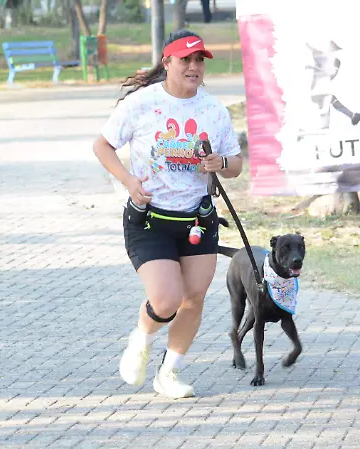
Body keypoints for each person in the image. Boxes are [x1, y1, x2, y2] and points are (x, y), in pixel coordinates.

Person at [91, 29, 244, 399]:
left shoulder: (213, 110)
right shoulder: (142, 104)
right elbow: (102, 145)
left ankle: (169, 373)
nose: (193, 67)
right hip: (150, 219)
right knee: (166, 300)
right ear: (167, 62)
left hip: (197, 219)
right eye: (185, 60)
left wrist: (220, 162)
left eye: (199, 60)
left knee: (194, 298)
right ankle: (141, 340)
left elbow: (235, 165)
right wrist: (128, 181)